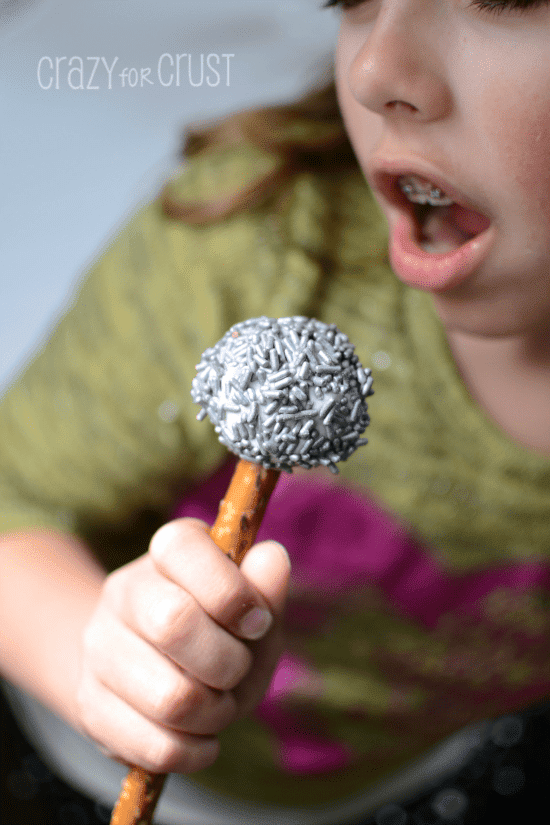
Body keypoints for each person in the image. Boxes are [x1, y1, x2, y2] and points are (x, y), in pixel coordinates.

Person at [1, 1, 550, 823]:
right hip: (81, 757)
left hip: (414, 773)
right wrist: (103, 661)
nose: (373, 71)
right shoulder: (254, 251)